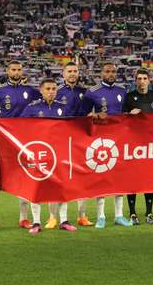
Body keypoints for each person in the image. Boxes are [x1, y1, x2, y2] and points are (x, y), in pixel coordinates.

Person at [0, 60, 40, 231]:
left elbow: (44, 104)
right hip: (3, 140)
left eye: (19, 70)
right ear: (7, 71)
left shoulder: (30, 90)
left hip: (24, 141)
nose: (16, 72)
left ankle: (23, 219)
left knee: (25, 177)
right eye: (13, 69)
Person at [80, 62, 133, 228]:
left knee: (120, 178)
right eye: (108, 71)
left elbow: (125, 113)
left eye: (113, 72)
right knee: (101, 177)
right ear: (101, 73)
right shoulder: (92, 92)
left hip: (119, 138)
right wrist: (95, 115)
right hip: (100, 140)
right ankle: (101, 216)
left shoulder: (122, 91)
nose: (111, 74)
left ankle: (119, 215)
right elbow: (83, 114)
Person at [21, 78, 74, 234]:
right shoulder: (31, 108)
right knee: (37, 188)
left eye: (53, 89)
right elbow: (19, 127)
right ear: (41, 90)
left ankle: (64, 220)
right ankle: (36, 222)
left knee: (61, 188)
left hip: (59, 153)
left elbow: (73, 127)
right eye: (48, 89)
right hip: (39, 153)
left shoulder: (64, 108)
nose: (51, 91)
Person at [53, 61, 90, 229]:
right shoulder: (57, 92)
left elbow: (92, 113)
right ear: (63, 74)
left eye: (75, 71)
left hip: (81, 139)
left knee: (82, 178)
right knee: (59, 178)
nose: (73, 74)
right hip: (60, 140)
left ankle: (82, 215)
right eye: (69, 71)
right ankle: (54, 217)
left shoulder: (86, 93)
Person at [124, 68, 153, 224]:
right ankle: (132, 214)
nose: (142, 81)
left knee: (149, 179)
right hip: (133, 144)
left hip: (151, 144)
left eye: (144, 78)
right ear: (135, 80)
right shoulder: (129, 97)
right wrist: (128, 114)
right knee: (132, 179)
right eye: (139, 78)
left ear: (149, 80)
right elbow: (120, 119)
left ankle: (149, 213)